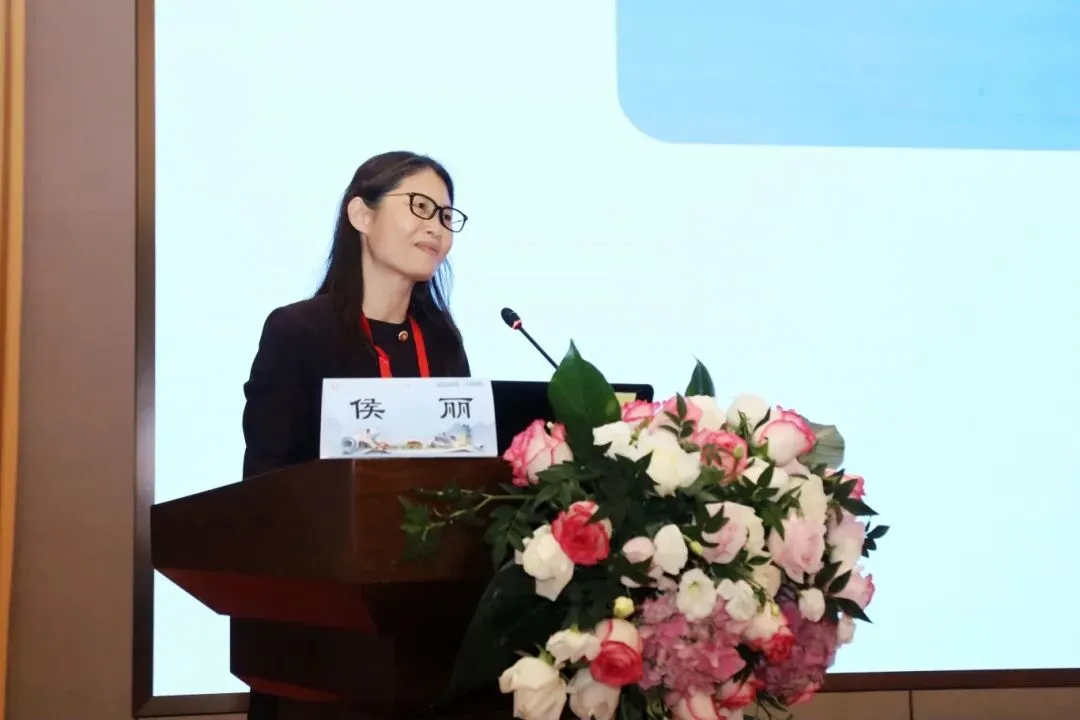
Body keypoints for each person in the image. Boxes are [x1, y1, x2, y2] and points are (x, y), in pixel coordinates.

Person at [240, 151, 471, 719]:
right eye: (419, 207)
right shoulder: (299, 332)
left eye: (446, 216)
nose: (436, 227)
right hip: (321, 627)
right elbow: (265, 483)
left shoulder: (442, 341)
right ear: (361, 215)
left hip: (427, 625)